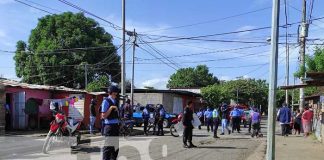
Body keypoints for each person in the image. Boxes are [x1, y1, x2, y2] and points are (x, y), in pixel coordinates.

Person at [101, 86, 120, 160]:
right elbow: (104, 116)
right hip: (109, 126)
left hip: (116, 126)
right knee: (108, 147)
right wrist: (111, 108)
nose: (116, 94)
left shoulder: (116, 101)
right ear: (111, 93)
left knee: (115, 148)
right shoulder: (106, 101)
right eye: (115, 93)